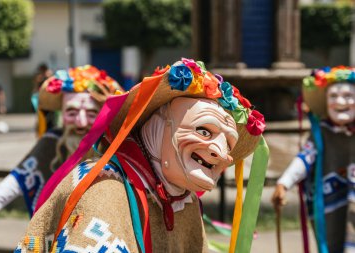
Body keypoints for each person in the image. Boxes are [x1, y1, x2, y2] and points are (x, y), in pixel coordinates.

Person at [15, 59, 269, 253]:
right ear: (158, 127)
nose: (220, 152)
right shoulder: (105, 187)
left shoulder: (185, 201)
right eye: (204, 130)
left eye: (228, 143)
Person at [0, 65, 122, 241]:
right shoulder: (52, 142)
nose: (81, 122)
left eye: (91, 113)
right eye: (72, 112)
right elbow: (19, 177)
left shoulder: (115, 146)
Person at [272, 66, 355, 253]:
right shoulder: (320, 134)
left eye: (348, 96)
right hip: (330, 206)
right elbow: (305, 158)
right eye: (333, 96)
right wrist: (283, 184)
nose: (340, 101)